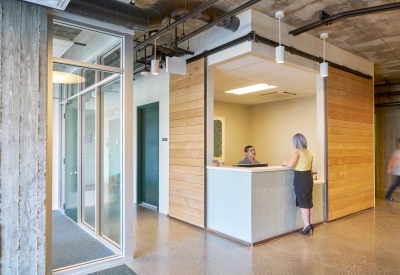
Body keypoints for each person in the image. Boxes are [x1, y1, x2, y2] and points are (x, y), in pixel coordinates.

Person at [281, 133, 314, 236]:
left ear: (296, 142)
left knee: (303, 202)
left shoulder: (297, 152)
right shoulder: (310, 153)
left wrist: (284, 163)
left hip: (300, 178)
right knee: (309, 201)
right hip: (309, 177)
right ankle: (311, 224)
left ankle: (306, 225)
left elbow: (290, 165)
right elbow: (310, 168)